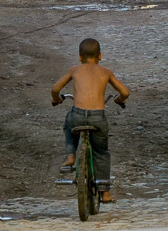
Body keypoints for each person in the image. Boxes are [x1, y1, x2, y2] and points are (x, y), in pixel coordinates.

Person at [51, 38, 130, 204]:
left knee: (68, 125)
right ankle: (105, 193)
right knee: (101, 152)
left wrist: (56, 99)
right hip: (97, 117)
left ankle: (71, 155)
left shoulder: (74, 70)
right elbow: (125, 92)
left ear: (79, 57)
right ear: (100, 56)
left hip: (78, 114)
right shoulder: (106, 72)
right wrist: (120, 100)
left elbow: (55, 89)